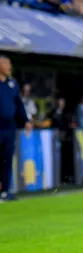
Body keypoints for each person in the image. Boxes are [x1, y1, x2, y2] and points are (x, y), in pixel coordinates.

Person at [0, 55, 30, 202]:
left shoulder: (12, 84)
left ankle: (5, 191)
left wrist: (26, 120)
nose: (10, 67)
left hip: (9, 127)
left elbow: (19, 104)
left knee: (6, 160)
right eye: (7, 64)